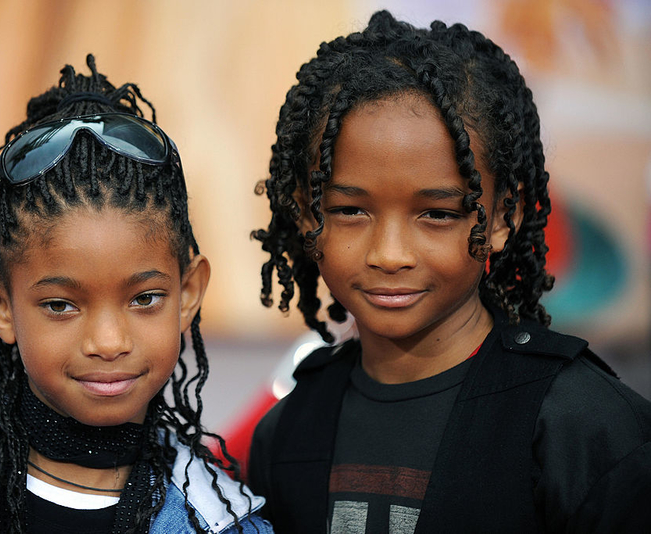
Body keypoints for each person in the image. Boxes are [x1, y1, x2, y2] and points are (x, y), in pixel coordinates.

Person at [248, 10, 651, 534]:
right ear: (306, 213)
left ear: (505, 217)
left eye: (437, 213)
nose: (390, 254)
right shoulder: (287, 431)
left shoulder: (587, 427)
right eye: (351, 210)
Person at [0, 55, 271, 534]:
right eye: (60, 305)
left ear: (189, 293)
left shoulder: (229, 524)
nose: (109, 342)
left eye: (144, 298)